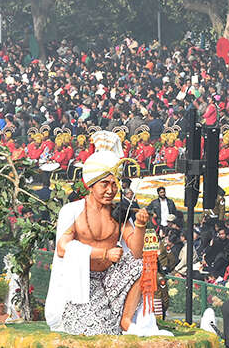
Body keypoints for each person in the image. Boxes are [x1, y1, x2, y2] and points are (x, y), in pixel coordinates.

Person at [45, 130, 154, 336]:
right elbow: (62, 248)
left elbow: (137, 253)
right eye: (104, 184)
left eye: (114, 185)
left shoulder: (120, 213)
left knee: (145, 264)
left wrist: (140, 225)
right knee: (99, 331)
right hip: (82, 284)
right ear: (91, 185)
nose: (110, 190)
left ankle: (126, 319)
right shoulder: (74, 211)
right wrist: (103, 254)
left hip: (111, 280)